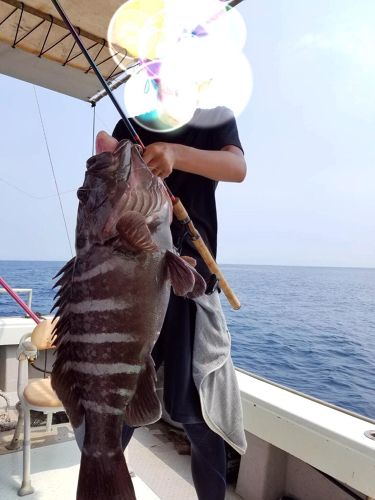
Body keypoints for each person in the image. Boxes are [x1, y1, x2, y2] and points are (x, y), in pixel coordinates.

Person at [111, 103, 247, 500]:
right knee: (123, 408)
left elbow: (236, 168)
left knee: (201, 417)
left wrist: (174, 153)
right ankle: (100, 478)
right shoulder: (128, 124)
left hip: (190, 280)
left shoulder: (215, 116)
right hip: (137, 281)